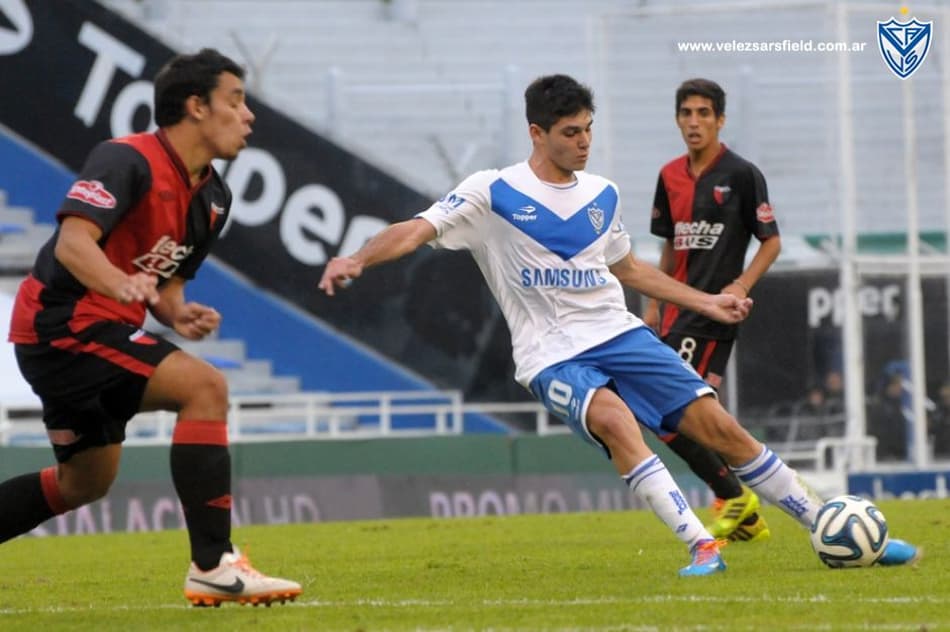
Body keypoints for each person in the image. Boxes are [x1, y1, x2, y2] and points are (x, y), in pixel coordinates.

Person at [318, 74, 920, 574]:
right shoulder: (491, 192)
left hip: (620, 334)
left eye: (588, 130)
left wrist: (707, 303)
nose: (583, 142)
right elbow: (414, 230)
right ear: (537, 133)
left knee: (720, 427)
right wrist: (358, 258)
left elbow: (628, 268)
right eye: (570, 133)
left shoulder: (602, 194)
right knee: (612, 417)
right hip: (552, 353)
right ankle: (701, 544)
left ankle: (830, 529)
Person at [3, 49, 301, 606]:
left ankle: (212, 564)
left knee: (83, 484)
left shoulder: (214, 198)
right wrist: (119, 286)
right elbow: (73, 243)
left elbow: (164, 286)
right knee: (205, 388)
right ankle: (213, 564)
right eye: (236, 100)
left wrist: (176, 312)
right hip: (63, 326)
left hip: (98, 331)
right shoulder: (127, 159)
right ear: (195, 106)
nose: (248, 115)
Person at [642, 78, 780, 543]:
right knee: (686, 415)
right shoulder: (668, 176)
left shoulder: (742, 175)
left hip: (713, 313)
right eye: (686, 113)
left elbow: (771, 241)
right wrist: (653, 304)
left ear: (720, 120)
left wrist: (740, 283)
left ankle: (731, 495)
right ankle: (744, 513)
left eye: (704, 113)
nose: (694, 122)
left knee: (668, 412)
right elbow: (669, 248)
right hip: (676, 311)